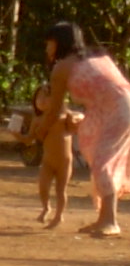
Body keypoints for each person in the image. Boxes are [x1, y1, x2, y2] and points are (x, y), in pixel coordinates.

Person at [32, 21, 130, 238]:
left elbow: (55, 108)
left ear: (59, 43)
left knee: (104, 162)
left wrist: (40, 132)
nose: (47, 49)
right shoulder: (98, 55)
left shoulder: (62, 67)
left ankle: (110, 221)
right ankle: (104, 218)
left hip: (118, 108)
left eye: (49, 44)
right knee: (102, 159)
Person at [32, 83, 81, 229]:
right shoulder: (38, 120)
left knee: (61, 190)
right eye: (38, 97)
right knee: (43, 187)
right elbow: (30, 138)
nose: (42, 100)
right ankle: (46, 207)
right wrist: (16, 134)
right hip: (47, 160)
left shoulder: (65, 116)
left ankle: (59, 216)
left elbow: (80, 117)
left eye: (46, 97)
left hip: (64, 161)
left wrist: (76, 118)